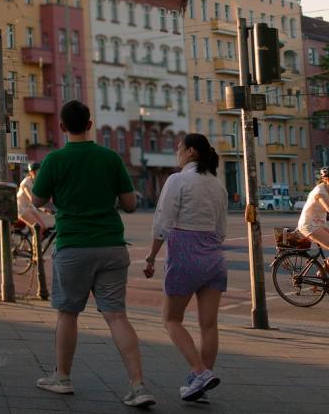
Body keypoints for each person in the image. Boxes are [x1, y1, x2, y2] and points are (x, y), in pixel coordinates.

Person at [31, 100, 155, 407]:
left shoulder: (54, 159)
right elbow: (129, 203)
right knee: (116, 316)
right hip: (112, 246)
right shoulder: (110, 158)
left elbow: (37, 199)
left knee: (68, 313)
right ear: (90, 124)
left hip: (73, 246)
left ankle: (62, 377)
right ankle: (138, 386)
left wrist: (57, 197)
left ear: (61, 127)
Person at [143, 134, 227, 403]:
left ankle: (199, 372)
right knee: (209, 324)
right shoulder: (218, 185)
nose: (177, 153)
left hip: (185, 255)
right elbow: (221, 229)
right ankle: (199, 383)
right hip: (214, 258)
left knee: (171, 319)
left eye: (179, 148)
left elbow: (163, 222)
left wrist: (151, 256)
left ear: (191, 151)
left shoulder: (177, 180)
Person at [297, 167, 329, 258]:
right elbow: (327, 208)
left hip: (319, 225)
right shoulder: (320, 191)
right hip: (309, 226)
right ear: (326, 179)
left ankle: (322, 271)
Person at [17, 162, 54, 235]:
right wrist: (45, 209)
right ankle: (36, 246)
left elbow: (45, 195)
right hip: (21, 209)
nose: (40, 172)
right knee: (39, 228)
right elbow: (32, 199)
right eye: (38, 171)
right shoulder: (26, 183)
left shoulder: (36, 182)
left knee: (44, 227)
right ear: (32, 172)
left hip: (30, 208)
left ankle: (35, 244)